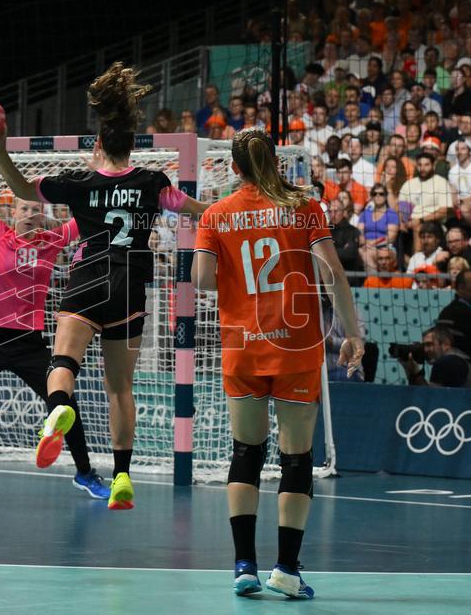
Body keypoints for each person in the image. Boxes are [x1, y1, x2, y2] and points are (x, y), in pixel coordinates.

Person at [0, 62, 207, 511]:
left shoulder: (79, 184)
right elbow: (197, 211)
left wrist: (0, 151)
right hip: (130, 287)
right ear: (132, 146)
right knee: (120, 388)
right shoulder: (153, 182)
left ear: (99, 144)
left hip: (88, 281)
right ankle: (123, 474)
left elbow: (22, 185)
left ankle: (58, 408)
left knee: (63, 361)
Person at [192, 127, 363, 600]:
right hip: (296, 348)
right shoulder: (304, 206)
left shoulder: (216, 214)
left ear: (234, 168)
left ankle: (243, 566)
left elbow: (202, 279)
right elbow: (332, 274)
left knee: (245, 453)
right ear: (276, 161)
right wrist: (352, 333)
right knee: (296, 458)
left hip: (243, 345)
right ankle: (286, 569)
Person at [0, 133, 108, 501]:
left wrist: (99, 174)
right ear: (13, 213)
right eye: (24, 209)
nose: (31, 214)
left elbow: (88, 213)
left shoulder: (53, 241)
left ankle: (85, 473)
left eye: (35, 209)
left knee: (65, 405)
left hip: (30, 343)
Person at [397, 325, 471, 389]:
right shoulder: (459, 357)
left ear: (446, 344)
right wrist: (409, 370)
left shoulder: (448, 362)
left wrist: (416, 373)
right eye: (424, 346)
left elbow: (430, 398)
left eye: (429, 344)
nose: (425, 350)